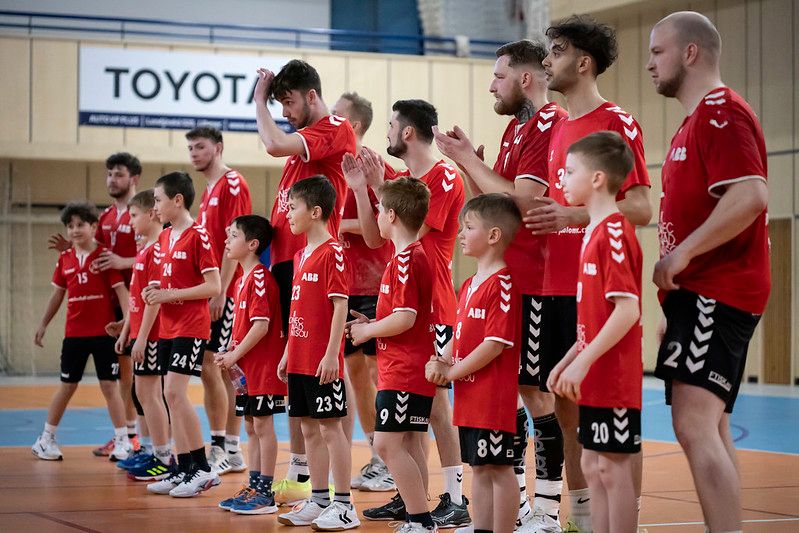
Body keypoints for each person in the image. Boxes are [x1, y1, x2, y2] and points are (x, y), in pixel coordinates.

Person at [524, 15, 652, 531]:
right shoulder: (556, 125)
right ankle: (580, 514)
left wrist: (573, 216)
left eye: (556, 51)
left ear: (583, 62)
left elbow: (641, 206)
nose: (547, 59)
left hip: (601, 284)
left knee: (611, 411)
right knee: (567, 403)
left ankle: (625, 517)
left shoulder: (615, 121)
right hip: (559, 279)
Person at [434, 39, 568, 531]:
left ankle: (550, 510)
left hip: (534, 280)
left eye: (498, 76)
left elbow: (526, 203)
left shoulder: (546, 125)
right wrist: (469, 163)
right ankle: (520, 505)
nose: (490, 84)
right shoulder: (515, 129)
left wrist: (472, 162)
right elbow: (491, 210)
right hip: (502, 277)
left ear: (526, 78)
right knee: (506, 393)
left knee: (535, 394)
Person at [647, 12, 770, 533]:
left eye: (657, 52)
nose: (650, 63)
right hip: (695, 298)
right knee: (712, 425)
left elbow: (751, 194)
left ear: (690, 53)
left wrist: (683, 255)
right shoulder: (694, 120)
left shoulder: (721, 111)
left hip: (715, 291)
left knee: (693, 424)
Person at [345, 100, 469, 527]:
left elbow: (415, 226)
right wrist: (365, 188)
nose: (388, 132)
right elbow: (373, 234)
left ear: (410, 132)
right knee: (410, 411)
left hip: (432, 306)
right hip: (404, 300)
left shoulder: (444, 176)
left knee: (435, 407)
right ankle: (410, 495)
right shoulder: (400, 183)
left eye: (393, 124)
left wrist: (382, 187)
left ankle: (455, 497)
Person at [254, 59, 357, 504]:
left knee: (330, 371)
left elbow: (274, 144)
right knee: (296, 368)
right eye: (277, 103)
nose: (285, 112)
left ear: (311, 96)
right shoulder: (305, 149)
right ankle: (303, 479)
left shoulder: (334, 128)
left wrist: (257, 100)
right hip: (289, 262)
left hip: (312, 264)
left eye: (288, 102)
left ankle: (338, 489)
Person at [546, 132, 643, 533]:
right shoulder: (592, 233)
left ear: (599, 178)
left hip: (614, 378)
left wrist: (583, 362)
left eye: (570, 172)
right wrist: (566, 361)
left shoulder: (615, 233)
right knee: (591, 463)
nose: (562, 180)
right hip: (594, 378)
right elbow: (593, 320)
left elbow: (627, 310)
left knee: (612, 469)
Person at [426, 193, 523, 533]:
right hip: (469, 398)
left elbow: (494, 345)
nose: (461, 235)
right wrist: (441, 358)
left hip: (494, 398)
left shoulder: (504, 283)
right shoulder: (468, 284)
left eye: (468, 227)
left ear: (494, 235)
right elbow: (462, 334)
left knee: (499, 468)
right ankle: (482, 526)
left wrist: (450, 372)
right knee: (480, 468)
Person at [347, 176, 437, 533]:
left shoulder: (405, 261)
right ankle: (417, 514)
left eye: (379, 210)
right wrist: (372, 321)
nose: (376, 217)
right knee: (410, 440)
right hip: (406, 365)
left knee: (385, 443)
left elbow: (406, 318)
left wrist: (369, 330)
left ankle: (420, 519)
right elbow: (402, 316)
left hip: (404, 368)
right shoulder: (410, 257)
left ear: (393, 215)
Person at [275, 176, 360, 530]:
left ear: (315, 211)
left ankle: (344, 505)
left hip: (322, 360)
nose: (287, 213)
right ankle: (320, 498)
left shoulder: (334, 253)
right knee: (309, 429)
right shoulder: (299, 255)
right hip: (298, 357)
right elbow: (298, 309)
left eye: (292, 207)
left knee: (330, 429)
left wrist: (331, 355)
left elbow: (340, 307)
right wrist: (286, 353)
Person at [49, 152, 143, 458]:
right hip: (113, 305)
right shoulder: (102, 217)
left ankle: (138, 438)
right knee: (121, 375)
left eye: (118, 174)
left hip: (139, 300)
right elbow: (92, 247)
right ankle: (126, 436)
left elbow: (155, 249)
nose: (112, 180)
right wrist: (72, 246)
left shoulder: (142, 211)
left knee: (141, 376)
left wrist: (124, 261)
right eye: (109, 174)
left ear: (134, 179)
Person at [143, 172, 222, 498]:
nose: (155, 207)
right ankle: (185, 467)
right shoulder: (163, 237)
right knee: (170, 395)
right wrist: (158, 290)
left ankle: (202, 469)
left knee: (175, 393)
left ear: (177, 200)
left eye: (158, 200)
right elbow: (172, 282)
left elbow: (213, 286)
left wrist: (168, 294)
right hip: (168, 327)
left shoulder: (199, 235)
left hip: (191, 326)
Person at [331, 91, 396, 491]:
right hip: (343, 284)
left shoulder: (374, 166)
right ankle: (376, 455)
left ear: (352, 125)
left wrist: (341, 226)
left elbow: (386, 223)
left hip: (375, 281)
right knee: (355, 372)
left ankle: (389, 458)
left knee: (377, 371)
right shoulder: (330, 167)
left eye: (335, 116)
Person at [32, 202, 131, 462]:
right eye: (70, 226)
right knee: (67, 386)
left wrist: (127, 325)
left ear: (94, 227)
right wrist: (43, 324)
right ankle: (46, 439)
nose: (75, 230)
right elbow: (57, 295)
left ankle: (123, 441)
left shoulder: (105, 257)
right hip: (74, 334)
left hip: (103, 333)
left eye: (80, 225)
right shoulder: (64, 259)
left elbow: (122, 292)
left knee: (110, 386)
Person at [188, 126, 253, 475]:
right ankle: (222, 445)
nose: (195, 153)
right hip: (211, 288)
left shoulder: (231, 183)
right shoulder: (207, 190)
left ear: (218, 147)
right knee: (209, 366)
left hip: (225, 289)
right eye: (191, 148)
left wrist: (223, 288)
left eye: (201, 147)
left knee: (222, 365)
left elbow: (235, 238)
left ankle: (230, 447)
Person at [215, 215, 287, 515]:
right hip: (247, 370)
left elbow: (261, 325)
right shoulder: (242, 280)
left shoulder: (259, 277)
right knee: (250, 425)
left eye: (233, 236)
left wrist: (233, 355)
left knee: (262, 425)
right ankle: (254, 484)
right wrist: (230, 350)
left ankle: (265, 491)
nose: (226, 241)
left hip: (264, 368)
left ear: (252, 244)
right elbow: (243, 327)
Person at [114, 190, 174, 481]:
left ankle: (163, 457)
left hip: (152, 335)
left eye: (134, 215)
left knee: (149, 394)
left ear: (152, 214)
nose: (131, 222)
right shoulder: (144, 250)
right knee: (142, 394)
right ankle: (152, 450)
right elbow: (136, 300)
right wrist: (126, 329)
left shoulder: (157, 251)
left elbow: (153, 299)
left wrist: (141, 337)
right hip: (139, 332)